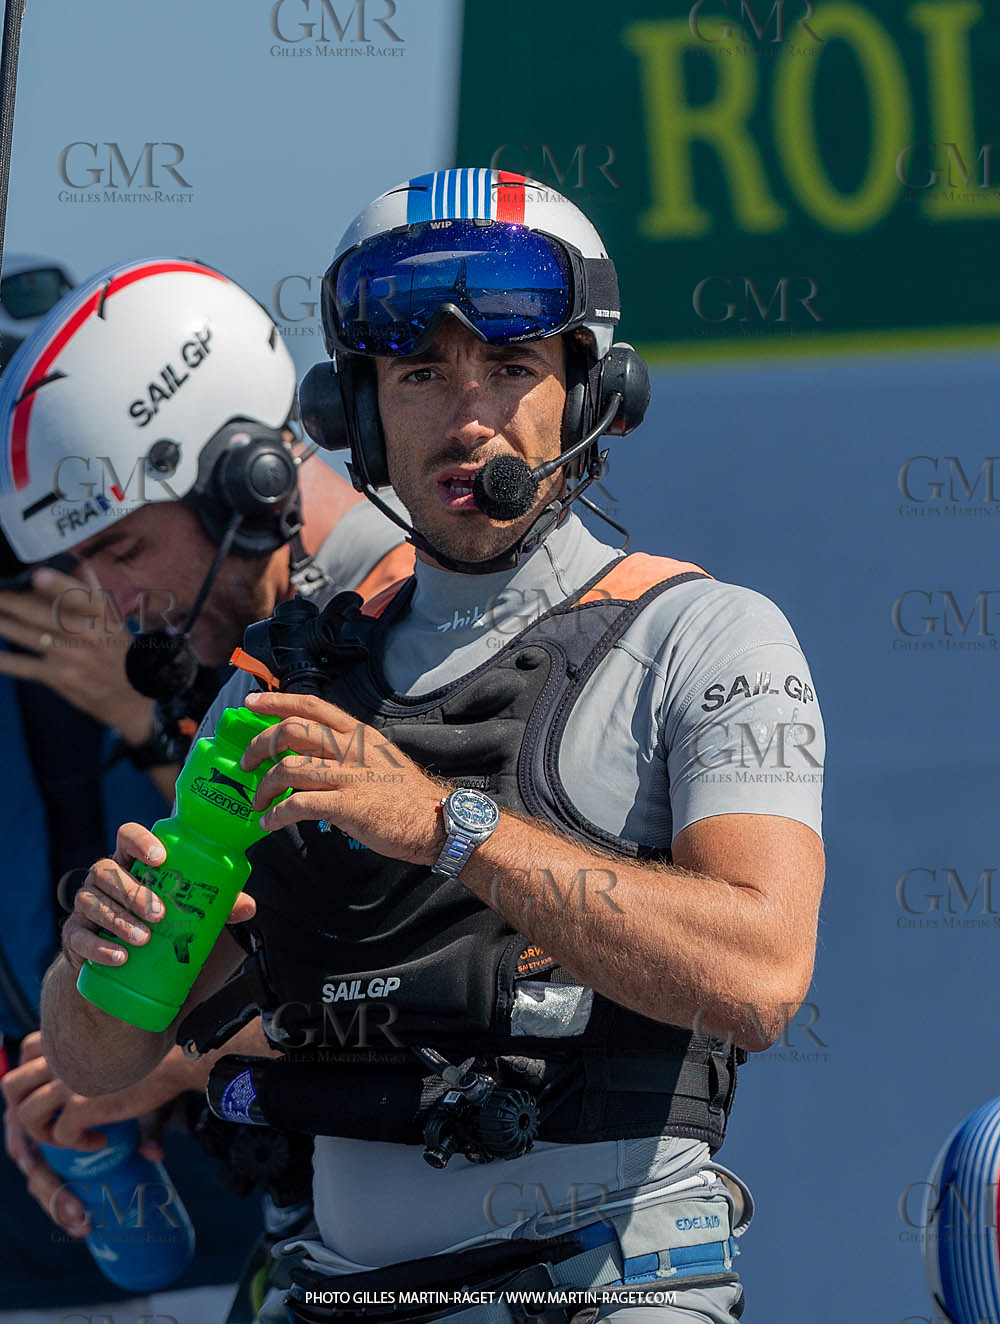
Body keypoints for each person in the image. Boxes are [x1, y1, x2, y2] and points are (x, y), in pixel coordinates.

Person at [40, 174, 826, 1324]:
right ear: (355, 413)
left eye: (510, 370)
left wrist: (440, 824)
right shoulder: (275, 679)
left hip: (611, 1293)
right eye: (419, 376)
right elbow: (99, 1061)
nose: (467, 418)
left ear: (586, 391)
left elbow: (760, 977)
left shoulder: (705, 635)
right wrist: (95, 958)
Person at [0, 256, 411, 1322]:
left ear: (247, 480)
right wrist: (86, 1071)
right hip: (316, 1254)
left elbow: (479, 983)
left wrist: (172, 1066)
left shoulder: (436, 626)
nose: (113, 602)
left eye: (122, 549)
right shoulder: (261, 666)